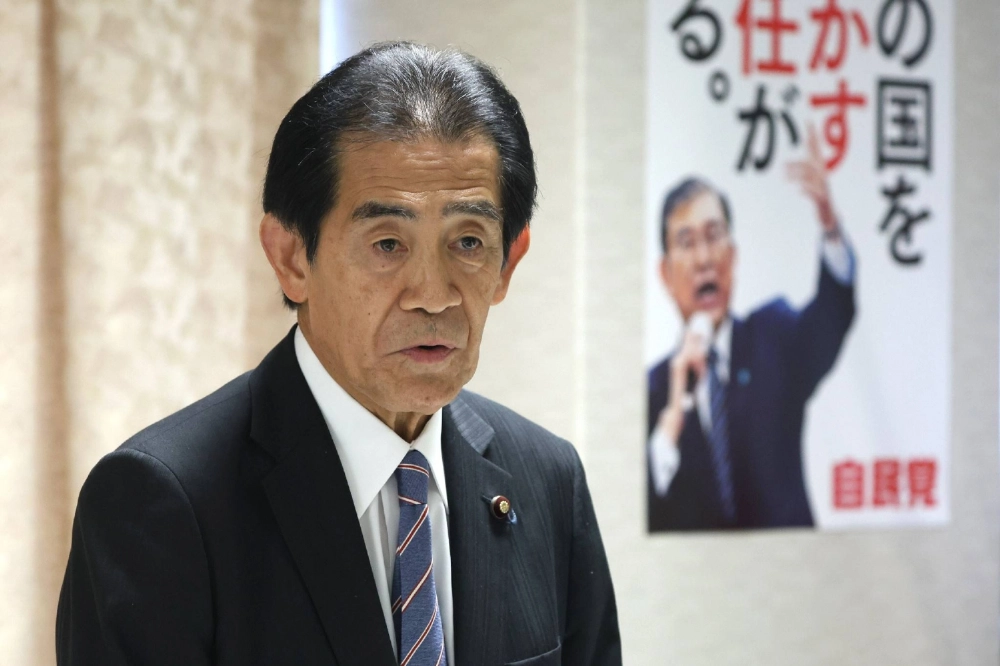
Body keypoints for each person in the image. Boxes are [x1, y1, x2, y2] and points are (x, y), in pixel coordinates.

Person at [57, 42, 620, 665]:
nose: (433, 295)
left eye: (467, 241)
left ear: (508, 263)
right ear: (291, 258)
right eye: (387, 244)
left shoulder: (547, 480)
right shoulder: (161, 502)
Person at [647, 131, 857, 531]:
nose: (705, 258)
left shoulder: (774, 338)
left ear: (734, 254)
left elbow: (830, 319)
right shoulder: (654, 389)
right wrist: (673, 417)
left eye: (714, 236)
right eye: (687, 243)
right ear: (666, 273)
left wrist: (830, 225)